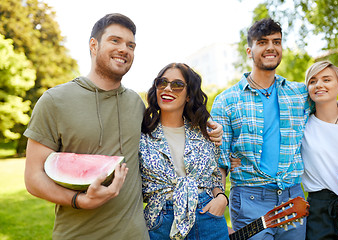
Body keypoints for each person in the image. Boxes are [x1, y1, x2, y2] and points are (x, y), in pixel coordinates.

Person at [23, 13, 223, 240]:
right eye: (115, 41)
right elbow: (33, 178)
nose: (124, 49)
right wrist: (79, 200)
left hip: (136, 234)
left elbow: (175, 122)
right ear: (93, 45)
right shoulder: (54, 100)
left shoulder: (136, 105)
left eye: (131, 45)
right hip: (78, 234)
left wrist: (210, 125)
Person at [211, 18, 309, 239]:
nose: (271, 47)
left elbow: (329, 101)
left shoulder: (299, 94)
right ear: (249, 50)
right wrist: (219, 195)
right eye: (263, 42)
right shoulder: (227, 100)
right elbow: (219, 159)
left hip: (292, 198)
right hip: (249, 200)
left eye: (277, 41)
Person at [139, 63, 229, 240]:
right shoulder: (141, 135)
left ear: (189, 95)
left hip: (207, 216)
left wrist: (221, 199)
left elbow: (215, 178)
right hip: (160, 221)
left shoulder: (206, 132)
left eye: (177, 85)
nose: (168, 89)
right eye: (162, 82)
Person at [301, 60, 338, 240]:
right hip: (319, 212)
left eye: (326, 80)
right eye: (313, 81)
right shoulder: (301, 126)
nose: (319, 84)